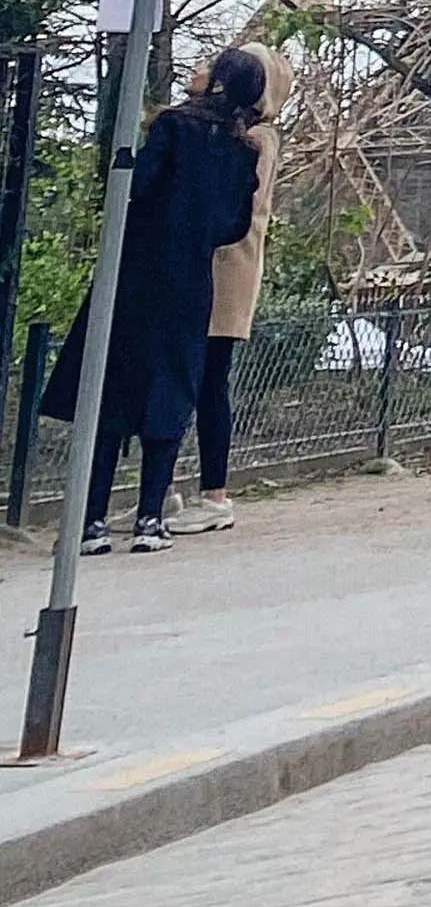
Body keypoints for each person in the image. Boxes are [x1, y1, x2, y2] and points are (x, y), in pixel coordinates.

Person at [46, 48, 267, 550]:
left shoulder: (172, 127)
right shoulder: (243, 150)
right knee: (171, 391)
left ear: (218, 82)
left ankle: (91, 520)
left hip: (137, 273)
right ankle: (150, 518)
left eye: (208, 66)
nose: (198, 70)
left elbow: (138, 188)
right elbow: (235, 224)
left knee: (111, 389)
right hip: (191, 281)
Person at [184, 38, 283, 531]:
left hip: (224, 268)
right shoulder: (248, 133)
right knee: (196, 380)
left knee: (207, 381)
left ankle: (214, 494)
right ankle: (179, 490)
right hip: (222, 267)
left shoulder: (253, 139)